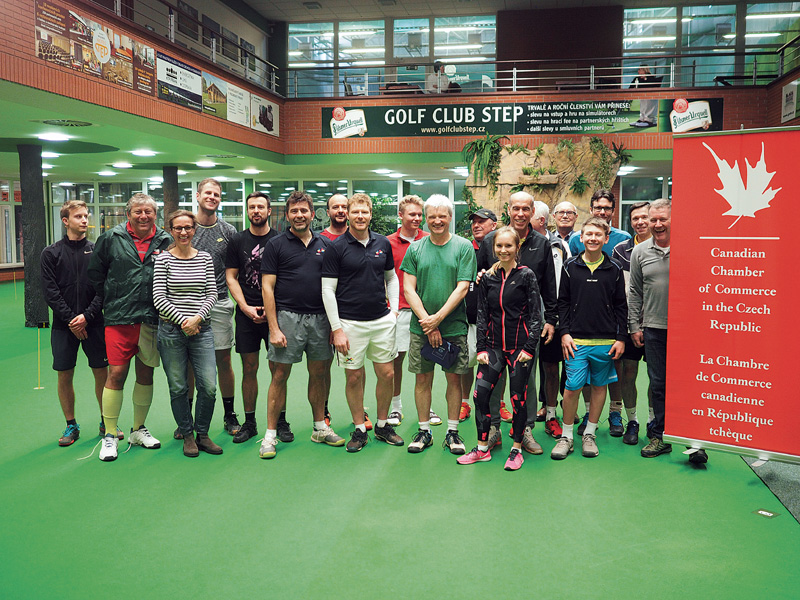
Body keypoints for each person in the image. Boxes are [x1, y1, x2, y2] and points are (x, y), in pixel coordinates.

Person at [258, 191, 345, 459]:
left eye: (304, 211)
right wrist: (274, 328)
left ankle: (320, 427)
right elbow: (267, 288)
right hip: (287, 319)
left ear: (312, 214)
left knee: (319, 374)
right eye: (294, 211)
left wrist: (334, 326)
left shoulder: (326, 244)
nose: (299, 215)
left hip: (320, 320)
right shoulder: (275, 245)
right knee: (279, 376)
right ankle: (270, 435)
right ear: (287, 215)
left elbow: (335, 287)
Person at [88, 193, 172, 462]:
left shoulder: (166, 240)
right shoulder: (110, 238)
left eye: (149, 211)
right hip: (119, 318)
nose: (144, 216)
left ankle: (138, 429)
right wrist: (114, 297)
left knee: (146, 373)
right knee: (116, 374)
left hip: (152, 318)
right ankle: (110, 434)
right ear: (128, 214)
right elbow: (96, 274)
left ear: (155, 214)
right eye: (138, 211)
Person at [321, 193, 403, 452]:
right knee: (354, 376)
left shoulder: (383, 243)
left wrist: (394, 311)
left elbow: (391, 278)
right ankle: (359, 428)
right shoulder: (336, 247)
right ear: (348, 214)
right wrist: (337, 329)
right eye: (355, 211)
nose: (359, 216)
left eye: (364, 212)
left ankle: (382, 425)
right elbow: (327, 290)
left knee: (387, 374)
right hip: (350, 324)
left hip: (381, 321)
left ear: (370, 214)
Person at [476, 192, 557, 454]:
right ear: (508, 210)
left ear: (532, 212)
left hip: (526, 329)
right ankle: (494, 429)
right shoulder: (490, 240)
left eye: (525, 209)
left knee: (526, 380)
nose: (520, 213)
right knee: (493, 380)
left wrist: (550, 319)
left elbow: (549, 284)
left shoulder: (541, 243)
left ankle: (526, 429)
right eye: (516, 208)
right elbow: (479, 277)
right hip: (495, 329)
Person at [630, 199, 707, 464]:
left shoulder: (692, 248)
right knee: (659, 385)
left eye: (663, 219)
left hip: (688, 331)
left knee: (689, 386)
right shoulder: (640, 252)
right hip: (654, 329)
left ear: (674, 220)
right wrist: (634, 326)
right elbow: (635, 291)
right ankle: (660, 436)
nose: (657, 224)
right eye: (653, 220)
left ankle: (695, 442)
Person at [458, 227, 541, 471]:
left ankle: (516, 449)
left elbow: (536, 315)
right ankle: (482, 447)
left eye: (508, 246)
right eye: (499, 246)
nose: (503, 250)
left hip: (519, 350)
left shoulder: (526, 275)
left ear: (517, 248)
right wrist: (481, 348)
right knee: (480, 396)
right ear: (493, 248)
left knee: (518, 399)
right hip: (493, 348)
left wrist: (529, 347)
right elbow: (482, 314)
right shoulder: (488, 278)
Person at [401, 194, 476, 455]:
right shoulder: (415, 249)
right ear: (425, 218)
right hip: (422, 328)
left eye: (442, 216)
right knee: (423, 379)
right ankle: (424, 431)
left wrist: (438, 320)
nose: (437, 221)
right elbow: (408, 289)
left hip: (453, 328)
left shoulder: (464, 247)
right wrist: (429, 324)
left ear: (450, 217)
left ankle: (452, 432)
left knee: (454, 380)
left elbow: (462, 288)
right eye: (432, 216)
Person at [551, 217, 627, 460]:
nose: (593, 238)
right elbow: (562, 302)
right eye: (589, 234)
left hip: (605, 342)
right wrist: (564, 333)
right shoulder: (570, 266)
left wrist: (620, 338)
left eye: (598, 235)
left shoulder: (615, 268)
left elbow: (621, 305)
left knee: (599, 387)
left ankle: (590, 434)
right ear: (581, 237)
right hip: (576, 342)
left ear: (606, 239)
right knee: (572, 388)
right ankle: (566, 437)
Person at [153, 210, 222, 457]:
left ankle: (202, 434)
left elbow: (212, 293)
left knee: (209, 386)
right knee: (178, 387)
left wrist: (197, 319)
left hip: (202, 330)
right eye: (178, 228)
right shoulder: (163, 260)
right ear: (171, 230)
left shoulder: (204, 258)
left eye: (188, 228)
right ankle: (187, 434)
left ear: (194, 230)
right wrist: (184, 321)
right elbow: (159, 298)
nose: (183, 232)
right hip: (171, 331)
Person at [41, 200, 110, 447]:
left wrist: (87, 317)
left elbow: (104, 289)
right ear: (65, 221)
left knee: (102, 373)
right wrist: (72, 319)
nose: (84, 220)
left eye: (86, 216)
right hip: (64, 326)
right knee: (64, 374)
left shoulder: (97, 251)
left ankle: (107, 422)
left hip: (94, 323)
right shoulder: (51, 253)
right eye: (78, 216)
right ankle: (71, 425)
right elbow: (50, 292)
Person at [568, 189, 631, 435]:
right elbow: (569, 291)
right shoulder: (575, 245)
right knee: (579, 380)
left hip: (609, 328)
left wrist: (621, 334)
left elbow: (620, 298)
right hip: (580, 329)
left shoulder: (623, 240)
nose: (602, 211)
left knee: (612, 373)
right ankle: (587, 414)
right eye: (598, 207)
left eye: (607, 208)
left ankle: (615, 413)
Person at [225, 192, 283, 444]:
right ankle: (249, 422)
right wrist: (245, 307)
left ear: (269, 210)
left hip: (275, 315)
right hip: (246, 315)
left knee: (278, 370)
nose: (256, 211)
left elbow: (285, 278)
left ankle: (280, 421)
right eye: (252, 207)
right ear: (247, 211)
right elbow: (231, 277)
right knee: (249, 368)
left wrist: (271, 310)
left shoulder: (280, 240)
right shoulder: (237, 240)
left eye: (260, 207)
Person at [186, 178, 239, 438]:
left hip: (218, 303)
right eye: (208, 193)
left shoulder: (228, 231)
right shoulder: (185, 228)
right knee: (190, 364)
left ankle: (229, 415)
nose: (212, 197)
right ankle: (186, 418)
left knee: (223, 360)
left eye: (216, 194)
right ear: (197, 196)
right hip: (187, 305)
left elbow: (234, 272)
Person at [386, 195, 433, 427]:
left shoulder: (430, 240)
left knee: (426, 361)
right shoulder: (387, 243)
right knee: (396, 360)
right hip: (398, 311)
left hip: (425, 312)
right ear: (400, 215)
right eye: (411, 214)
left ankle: (428, 408)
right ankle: (396, 408)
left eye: (419, 214)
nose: (416, 218)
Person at [611, 201, 652, 445]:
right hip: (629, 323)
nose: (640, 222)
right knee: (628, 372)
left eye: (644, 217)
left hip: (657, 324)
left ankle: (654, 423)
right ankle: (633, 420)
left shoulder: (667, 247)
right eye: (635, 218)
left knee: (657, 377)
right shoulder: (620, 250)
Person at [531, 200, 567, 438]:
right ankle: (523, 418)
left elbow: (562, 282)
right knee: (523, 370)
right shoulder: (514, 242)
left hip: (551, 318)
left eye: (529, 214)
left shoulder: (558, 245)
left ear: (540, 220)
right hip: (522, 319)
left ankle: (551, 415)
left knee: (551, 367)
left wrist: (553, 318)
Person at [459, 208, 497, 426]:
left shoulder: (500, 249)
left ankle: (498, 403)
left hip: (493, 320)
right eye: (474, 222)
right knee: (466, 363)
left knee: (494, 364)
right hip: (467, 318)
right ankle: (465, 402)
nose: (476, 225)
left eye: (482, 221)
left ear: (494, 225)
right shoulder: (465, 249)